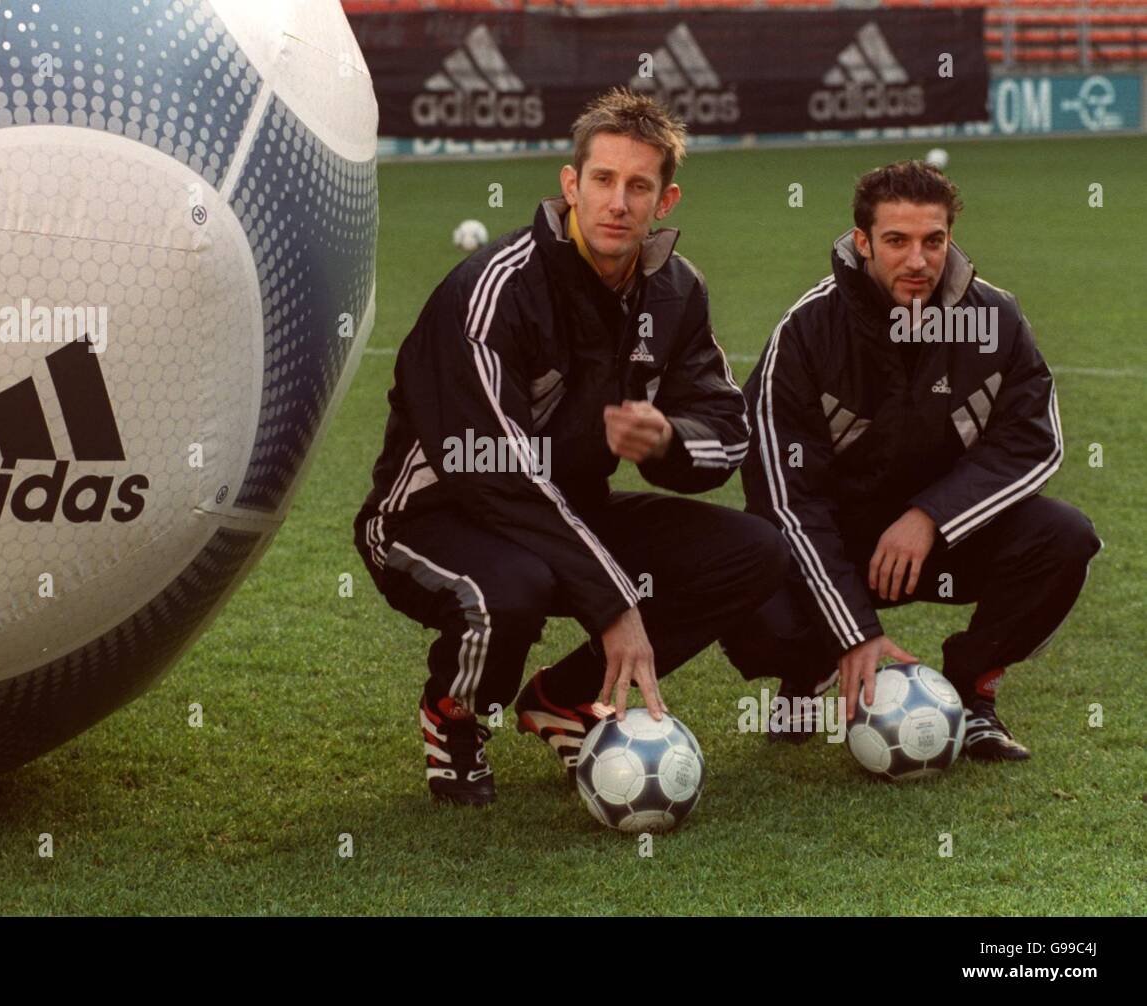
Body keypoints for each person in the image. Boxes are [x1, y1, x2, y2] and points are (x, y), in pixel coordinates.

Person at [353, 88, 788, 806]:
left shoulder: (674, 291)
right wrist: (614, 602)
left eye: (638, 186)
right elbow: (486, 469)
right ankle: (455, 718)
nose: (618, 201)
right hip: (433, 516)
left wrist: (670, 442)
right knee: (514, 587)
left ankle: (563, 698)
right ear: (571, 184)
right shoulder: (495, 288)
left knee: (752, 553)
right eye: (603, 180)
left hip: (565, 514)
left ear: (665, 200)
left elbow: (726, 428)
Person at [723, 160, 1101, 759]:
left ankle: (973, 693)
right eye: (896, 241)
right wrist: (854, 629)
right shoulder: (806, 332)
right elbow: (783, 498)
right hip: (836, 543)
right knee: (749, 575)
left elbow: (1034, 441)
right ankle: (811, 666)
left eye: (934, 240)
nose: (918, 261)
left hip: (946, 539)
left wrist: (930, 515)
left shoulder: (994, 320)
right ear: (863, 242)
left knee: (1064, 536)